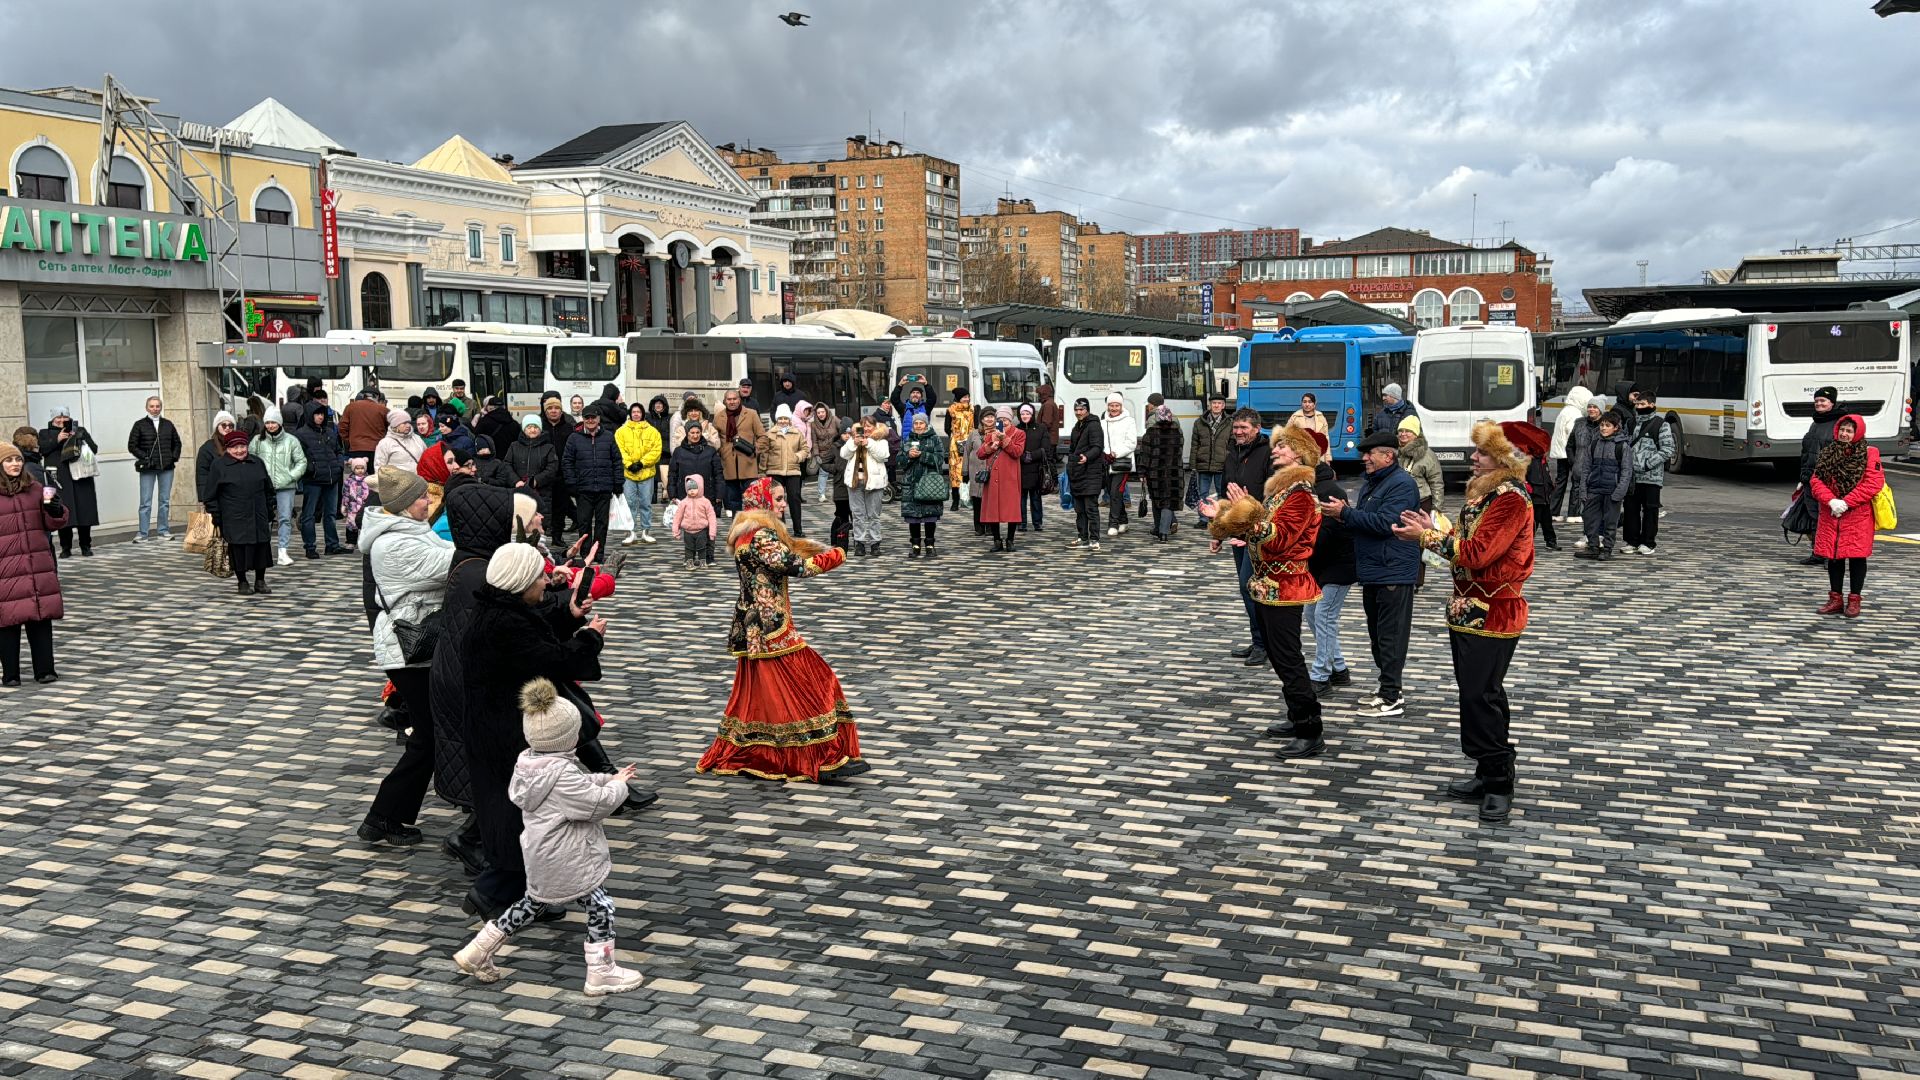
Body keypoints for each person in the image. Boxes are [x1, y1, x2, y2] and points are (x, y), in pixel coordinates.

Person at [443, 540, 606, 919]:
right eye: (539, 577)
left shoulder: (499, 610)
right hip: (504, 732)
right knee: (514, 814)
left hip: (496, 726)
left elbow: (538, 635)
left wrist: (569, 614)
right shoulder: (504, 622)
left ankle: (527, 893)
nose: (545, 583)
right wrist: (590, 638)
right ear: (520, 581)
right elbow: (551, 657)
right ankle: (494, 893)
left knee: (517, 813)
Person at [452, 676, 642, 996]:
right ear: (569, 737)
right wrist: (618, 786)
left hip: (541, 855)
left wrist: (605, 779)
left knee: (530, 904)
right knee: (601, 906)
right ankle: (601, 972)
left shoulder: (531, 764)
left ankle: (477, 951)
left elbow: (579, 787)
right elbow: (594, 804)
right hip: (568, 856)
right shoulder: (562, 773)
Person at [1392, 421, 1538, 824]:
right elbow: (1463, 538)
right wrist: (1433, 530)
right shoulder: (1486, 495)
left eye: (1482, 453)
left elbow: (1476, 553)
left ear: (1504, 460)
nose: (1474, 458)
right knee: (1476, 693)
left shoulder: (1509, 499)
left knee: (1482, 695)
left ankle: (1498, 780)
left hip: (1494, 613)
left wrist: (1425, 538)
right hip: (1470, 610)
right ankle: (1487, 768)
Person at [696, 477, 865, 782]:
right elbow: (797, 567)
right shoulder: (761, 536)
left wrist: (811, 547)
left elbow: (786, 553)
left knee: (766, 697)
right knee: (813, 682)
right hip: (771, 627)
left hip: (755, 626)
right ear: (763, 504)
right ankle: (816, 755)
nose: (784, 504)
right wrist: (836, 553)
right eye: (778, 499)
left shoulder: (749, 535)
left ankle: (768, 751)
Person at [1200, 425, 1324, 759]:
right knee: (1279, 655)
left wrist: (1249, 514)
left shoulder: (1300, 495)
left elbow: (1278, 539)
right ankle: (1297, 715)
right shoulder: (1280, 493)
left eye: (1283, 446)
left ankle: (1310, 728)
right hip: (1268, 586)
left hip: (1287, 587)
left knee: (1288, 657)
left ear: (1297, 454)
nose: (1276, 450)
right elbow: (1256, 525)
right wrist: (1224, 517)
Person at [357, 467, 456, 846]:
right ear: (400, 505)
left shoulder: (414, 530)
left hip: (416, 648)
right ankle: (382, 816)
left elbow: (447, 551)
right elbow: (448, 565)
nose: (428, 500)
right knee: (429, 735)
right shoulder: (393, 543)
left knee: (428, 735)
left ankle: (386, 817)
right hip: (407, 649)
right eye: (420, 497)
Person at [1320, 428, 1421, 718]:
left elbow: (1387, 524)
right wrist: (1341, 517)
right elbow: (1363, 522)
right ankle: (1387, 688)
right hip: (1373, 571)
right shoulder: (1373, 483)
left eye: (1370, 454)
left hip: (1393, 571)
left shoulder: (1401, 484)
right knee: (1377, 636)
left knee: (1390, 636)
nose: (1364, 458)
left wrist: (1345, 514)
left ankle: (1392, 696)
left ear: (1388, 456)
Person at [0, 441, 67, 686]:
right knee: (7, 621)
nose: (15, 464)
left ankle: (45, 670)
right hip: (5, 569)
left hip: (36, 564)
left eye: (17, 460)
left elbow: (52, 523)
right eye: (9, 460)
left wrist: (57, 511)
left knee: (40, 617)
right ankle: (10, 674)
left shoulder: (36, 488)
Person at [1810, 414, 1884, 618]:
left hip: (1857, 515)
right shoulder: (1828, 452)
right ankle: (1835, 599)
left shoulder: (1870, 453)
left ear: (1857, 432)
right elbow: (1816, 481)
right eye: (1842, 430)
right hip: (1831, 512)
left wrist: (1846, 503)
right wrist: (1832, 501)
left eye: (1849, 431)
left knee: (1857, 557)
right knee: (1833, 557)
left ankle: (1854, 600)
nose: (1844, 434)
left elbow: (1873, 483)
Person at [1302, 430, 1354, 696]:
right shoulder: (1312, 488)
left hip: (1338, 564)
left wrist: (1299, 548)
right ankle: (1339, 668)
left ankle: (1321, 675)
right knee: (1313, 615)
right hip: (1321, 565)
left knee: (1324, 616)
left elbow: (1327, 532)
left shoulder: (1327, 490)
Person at [1219, 408, 1273, 663]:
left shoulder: (1268, 453)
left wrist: (1255, 525)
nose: (1239, 432)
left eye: (1244, 428)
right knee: (1245, 589)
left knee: (1249, 585)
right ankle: (1258, 640)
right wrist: (1218, 531)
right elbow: (1224, 494)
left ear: (1257, 428)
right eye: (1236, 428)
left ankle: (1265, 643)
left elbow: (1272, 498)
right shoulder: (1232, 452)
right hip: (1236, 531)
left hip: (1258, 533)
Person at [205, 429, 276, 596]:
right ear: (228, 448)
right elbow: (210, 495)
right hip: (233, 516)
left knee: (261, 547)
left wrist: (269, 509)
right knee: (239, 549)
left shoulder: (257, 462)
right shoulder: (219, 465)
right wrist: (217, 516)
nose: (239, 450)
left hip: (258, 513)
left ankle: (260, 580)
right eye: (234, 447)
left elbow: (268, 489)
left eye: (242, 446)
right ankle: (242, 581)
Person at [252, 406, 308, 567]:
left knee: (284, 518)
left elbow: (301, 461)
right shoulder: (257, 441)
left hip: (286, 486)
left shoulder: (291, 440)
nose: (270, 426)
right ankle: (264, 550)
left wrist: (291, 476)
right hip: (264, 485)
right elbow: (251, 459)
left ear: (280, 423)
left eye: (273, 422)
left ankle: (283, 550)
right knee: (264, 518)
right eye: (268, 422)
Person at [563, 406, 623, 556]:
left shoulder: (608, 436)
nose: (590, 420)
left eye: (593, 417)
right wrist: (571, 483)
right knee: (584, 524)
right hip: (583, 489)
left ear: (598, 419)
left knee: (602, 524)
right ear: (583, 419)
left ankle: (598, 553)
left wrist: (618, 482)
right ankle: (585, 554)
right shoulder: (574, 438)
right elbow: (567, 462)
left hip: (604, 488)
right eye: (587, 417)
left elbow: (617, 461)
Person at [40, 408, 99, 559]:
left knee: (85, 511)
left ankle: (86, 546)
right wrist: (57, 439)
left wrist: (81, 437)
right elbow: (42, 450)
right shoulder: (44, 433)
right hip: (59, 478)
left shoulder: (79, 430)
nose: (61, 420)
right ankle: (66, 548)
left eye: (64, 417)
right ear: (52, 420)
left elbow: (94, 449)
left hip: (81, 477)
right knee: (62, 510)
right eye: (57, 418)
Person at [1622, 390, 1674, 556]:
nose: (1639, 407)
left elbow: (1668, 449)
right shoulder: (1630, 423)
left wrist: (1647, 463)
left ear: (1652, 405)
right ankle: (1632, 540)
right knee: (1630, 509)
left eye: (1643, 404)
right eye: (1637, 404)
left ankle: (1648, 542)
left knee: (1650, 510)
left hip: (1651, 477)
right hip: (1631, 476)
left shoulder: (1661, 424)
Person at [293, 401, 348, 559]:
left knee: (330, 514)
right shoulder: (301, 434)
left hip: (332, 477)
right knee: (309, 514)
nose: (320, 417)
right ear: (310, 415)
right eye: (317, 414)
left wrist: (339, 466)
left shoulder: (330, 432)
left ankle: (332, 545)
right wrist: (312, 469)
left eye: (322, 414)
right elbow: (299, 457)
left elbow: (338, 450)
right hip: (314, 479)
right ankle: (310, 546)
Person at [127, 396, 183, 543]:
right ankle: (142, 533)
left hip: (167, 467)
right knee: (145, 502)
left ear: (161, 407)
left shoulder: (168, 424)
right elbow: (132, 445)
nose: (155, 408)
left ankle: (163, 531)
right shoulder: (139, 425)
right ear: (147, 408)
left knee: (164, 501)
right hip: (148, 468)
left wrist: (173, 457)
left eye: (157, 406)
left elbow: (177, 443)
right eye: (152, 406)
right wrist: (145, 457)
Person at [1576, 410, 1631, 561]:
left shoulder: (1622, 446)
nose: (1603, 428)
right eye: (1602, 425)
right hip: (1594, 488)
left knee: (1610, 522)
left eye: (1607, 425)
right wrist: (1583, 489)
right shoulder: (1594, 444)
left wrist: (1619, 492)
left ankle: (1607, 548)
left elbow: (1626, 471)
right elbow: (1586, 468)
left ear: (1616, 427)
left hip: (1612, 490)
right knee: (1589, 519)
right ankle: (1593, 546)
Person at [898, 411, 948, 558]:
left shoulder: (934, 439)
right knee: (912, 517)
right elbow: (899, 460)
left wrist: (923, 455)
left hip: (929, 484)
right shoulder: (907, 439)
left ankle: (930, 544)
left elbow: (940, 460)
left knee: (930, 515)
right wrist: (908, 456)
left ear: (926, 424)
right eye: (916, 423)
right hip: (911, 484)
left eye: (921, 423)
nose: (918, 426)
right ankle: (915, 545)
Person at [977, 405, 1026, 553]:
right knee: (992, 509)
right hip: (993, 477)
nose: (1002, 422)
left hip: (1009, 477)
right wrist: (991, 446)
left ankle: (1010, 540)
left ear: (1011, 419)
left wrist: (1005, 440)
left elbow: (1017, 452)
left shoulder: (1019, 433)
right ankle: (997, 540)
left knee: (1011, 509)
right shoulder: (991, 433)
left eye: (1005, 419)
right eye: (1000, 419)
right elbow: (980, 454)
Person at [757, 404, 808, 538]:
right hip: (775, 471)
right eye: (780, 418)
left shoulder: (797, 434)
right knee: (777, 501)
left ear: (790, 419)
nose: (783, 421)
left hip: (793, 472)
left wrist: (798, 457)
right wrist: (762, 471)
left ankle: (798, 528)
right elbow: (765, 453)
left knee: (794, 499)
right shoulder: (770, 434)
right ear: (776, 419)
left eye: (786, 418)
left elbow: (805, 449)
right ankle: (780, 528)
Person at [842, 416, 890, 556]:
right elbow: (843, 454)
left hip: (874, 483)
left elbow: (883, 456)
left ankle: (875, 543)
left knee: (874, 515)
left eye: (870, 426)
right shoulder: (853, 439)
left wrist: (868, 443)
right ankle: (859, 542)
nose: (867, 428)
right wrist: (854, 443)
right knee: (858, 515)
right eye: (864, 425)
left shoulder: (881, 441)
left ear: (875, 427)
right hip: (855, 482)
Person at [616, 402, 662, 546]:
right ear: (630, 413)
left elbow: (656, 450)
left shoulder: (653, 431)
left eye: (638, 412)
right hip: (628, 473)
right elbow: (619, 449)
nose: (636, 414)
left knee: (646, 503)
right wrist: (629, 464)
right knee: (629, 503)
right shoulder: (621, 431)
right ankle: (631, 532)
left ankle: (645, 531)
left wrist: (642, 463)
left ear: (643, 413)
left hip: (646, 473)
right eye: (634, 412)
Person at [1138, 404, 1184, 542]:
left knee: (1157, 500)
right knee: (1168, 502)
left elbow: (1144, 455)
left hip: (1155, 472)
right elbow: (1179, 453)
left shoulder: (1151, 433)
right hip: (1174, 472)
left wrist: (1142, 472)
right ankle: (1163, 532)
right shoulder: (1178, 432)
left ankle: (1159, 528)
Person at [717, 389, 766, 516]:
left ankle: (752, 531)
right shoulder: (719, 417)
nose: (732, 402)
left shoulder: (751, 414)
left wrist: (755, 450)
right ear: (725, 401)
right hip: (729, 465)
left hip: (748, 464)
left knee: (752, 501)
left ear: (739, 400)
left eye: (734, 399)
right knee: (733, 502)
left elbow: (763, 437)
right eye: (729, 399)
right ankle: (737, 530)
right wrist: (721, 452)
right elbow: (714, 439)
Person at [1065, 398, 1105, 552]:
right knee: (1079, 509)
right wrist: (1071, 463)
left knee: (1091, 509)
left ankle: (1094, 539)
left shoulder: (1094, 425)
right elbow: (1073, 448)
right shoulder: (1077, 426)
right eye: (1076, 410)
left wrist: (1087, 456)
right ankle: (1083, 536)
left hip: (1091, 473)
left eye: (1081, 409)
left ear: (1087, 409)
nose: (1078, 412)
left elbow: (1097, 447)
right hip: (1077, 473)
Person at [1548, 386, 1592, 522]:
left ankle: (1553, 511)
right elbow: (1574, 434)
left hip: (1560, 451)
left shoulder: (1565, 411)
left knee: (1561, 481)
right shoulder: (1576, 414)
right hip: (1571, 452)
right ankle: (1573, 513)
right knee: (1576, 482)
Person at [1099, 392, 1138, 538]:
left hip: (1122, 463)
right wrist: (1105, 453)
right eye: (1111, 405)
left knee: (1115, 493)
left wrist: (1116, 453)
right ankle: (1123, 520)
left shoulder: (1129, 421)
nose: (1114, 408)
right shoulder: (1103, 422)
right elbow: (1100, 441)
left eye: (1116, 405)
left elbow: (1131, 443)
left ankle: (1113, 524)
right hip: (1106, 463)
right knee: (1114, 493)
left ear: (1121, 406)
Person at [1189, 393, 1232, 522]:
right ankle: (1203, 519)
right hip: (1204, 463)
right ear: (1209, 405)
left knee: (1221, 493)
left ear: (1223, 406)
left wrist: (1228, 459)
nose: (1216, 405)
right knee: (1202, 493)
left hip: (1221, 464)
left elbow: (1232, 443)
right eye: (1214, 403)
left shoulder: (1230, 422)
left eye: (1219, 403)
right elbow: (1194, 444)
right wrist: (1193, 464)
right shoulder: (1200, 422)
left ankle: (1220, 518)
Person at [507, 416, 559, 520]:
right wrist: (516, 481)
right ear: (524, 429)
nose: (533, 430)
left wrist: (536, 480)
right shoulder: (514, 446)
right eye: (529, 427)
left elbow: (552, 467)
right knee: (519, 523)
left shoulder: (548, 447)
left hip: (541, 492)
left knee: (539, 524)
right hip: (518, 491)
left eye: (536, 427)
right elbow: (507, 465)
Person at [541, 393, 578, 538]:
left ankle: (557, 535)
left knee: (561, 506)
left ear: (561, 410)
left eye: (557, 408)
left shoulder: (568, 428)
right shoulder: (541, 428)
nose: (554, 411)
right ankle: (544, 534)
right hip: (545, 473)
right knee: (545, 506)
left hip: (563, 473)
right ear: (546, 411)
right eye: (550, 408)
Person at [1564, 397, 1603, 525]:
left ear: (1601, 410)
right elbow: (1570, 445)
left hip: (1597, 467)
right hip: (1579, 464)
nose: (1591, 409)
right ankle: (1573, 513)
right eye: (1589, 406)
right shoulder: (1580, 423)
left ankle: (1589, 514)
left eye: (1595, 407)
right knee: (1576, 489)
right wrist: (1573, 461)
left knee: (1592, 492)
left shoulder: (1605, 425)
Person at [667, 421, 722, 512]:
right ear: (687, 433)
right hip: (684, 494)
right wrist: (672, 494)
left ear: (701, 433)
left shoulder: (710, 451)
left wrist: (719, 494)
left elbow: (718, 474)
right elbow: (673, 474)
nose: (695, 436)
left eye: (698, 432)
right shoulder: (678, 452)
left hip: (707, 494)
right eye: (692, 433)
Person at [1396, 416, 1446, 516]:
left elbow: (1436, 482)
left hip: (1421, 503)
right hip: (1398, 502)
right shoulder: (1394, 451)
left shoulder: (1427, 454)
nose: (1403, 434)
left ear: (1416, 434)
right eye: (1401, 431)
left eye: (1408, 431)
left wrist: (1436, 509)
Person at [1016, 402, 1052, 533]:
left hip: (1036, 468)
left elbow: (1046, 449)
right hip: (1020, 468)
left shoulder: (1041, 428)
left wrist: (1031, 456)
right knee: (1021, 498)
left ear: (1032, 415)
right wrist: (1022, 456)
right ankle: (1021, 523)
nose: (1025, 416)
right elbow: (1012, 449)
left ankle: (1037, 522)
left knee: (1036, 498)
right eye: (1022, 414)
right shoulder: (1016, 429)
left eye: (1028, 413)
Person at [673, 473, 718, 570]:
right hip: (688, 531)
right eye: (689, 489)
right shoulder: (684, 502)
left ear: (700, 487)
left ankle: (703, 561)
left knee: (702, 547)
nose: (692, 491)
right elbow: (678, 516)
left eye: (694, 488)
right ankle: (689, 562)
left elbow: (712, 517)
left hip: (701, 530)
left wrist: (712, 532)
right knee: (689, 548)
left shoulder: (705, 502)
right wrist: (675, 530)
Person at [195, 411, 239, 503]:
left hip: (236, 494)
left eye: (230, 425)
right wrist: (204, 498)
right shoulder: (207, 448)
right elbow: (202, 474)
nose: (227, 428)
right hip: (216, 495)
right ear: (217, 427)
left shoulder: (239, 446)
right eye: (224, 425)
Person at [946, 386, 974, 512]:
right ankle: (955, 500)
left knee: (970, 470)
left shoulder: (973, 410)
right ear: (958, 398)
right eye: (964, 397)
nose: (966, 399)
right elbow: (947, 428)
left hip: (971, 443)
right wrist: (957, 436)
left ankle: (969, 499)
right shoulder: (951, 411)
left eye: (967, 397)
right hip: (955, 446)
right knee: (955, 473)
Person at [374, 407, 425, 475]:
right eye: (404, 423)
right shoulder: (385, 443)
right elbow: (379, 467)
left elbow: (426, 457)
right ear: (395, 425)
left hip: (419, 481)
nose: (408, 425)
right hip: (396, 484)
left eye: (408, 422)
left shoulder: (417, 438)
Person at [809, 401, 840, 504]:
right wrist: (817, 454)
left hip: (835, 451)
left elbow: (843, 431)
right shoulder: (813, 425)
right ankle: (821, 494)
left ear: (826, 411)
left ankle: (839, 493)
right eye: (818, 413)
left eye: (822, 412)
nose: (821, 414)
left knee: (839, 472)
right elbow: (814, 441)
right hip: (823, 453)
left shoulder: (834, 420)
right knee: (823, 473)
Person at [644, 394, 673, 503]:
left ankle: (665, 498)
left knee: (665, 477)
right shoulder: (647, 418)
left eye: (661, 404)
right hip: (651, 452)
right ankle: (652, 500)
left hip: (665, 453)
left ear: (664, 406)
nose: (658, 405)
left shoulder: (669, 418)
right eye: (656, 403)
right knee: (653, 477)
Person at [342, 457, 373, 550]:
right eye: (357, 468)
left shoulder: (369, 480)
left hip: (365, 506)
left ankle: (365, 543)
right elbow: (345, 494)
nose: (360, 470)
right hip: (353, 507)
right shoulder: (349, 481)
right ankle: (351, 541)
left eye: (362, 468)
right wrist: (344, 505)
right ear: (353, 469)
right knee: (351, 525)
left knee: (366, 526)